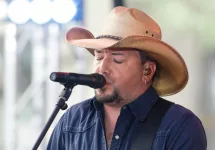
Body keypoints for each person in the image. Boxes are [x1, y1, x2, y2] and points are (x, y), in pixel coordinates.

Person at [47, 6, 207, 150]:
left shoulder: (179, 126)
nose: (102, 68)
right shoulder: (72, 121)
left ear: (147, 71)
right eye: (99, 57)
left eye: (118, 59)